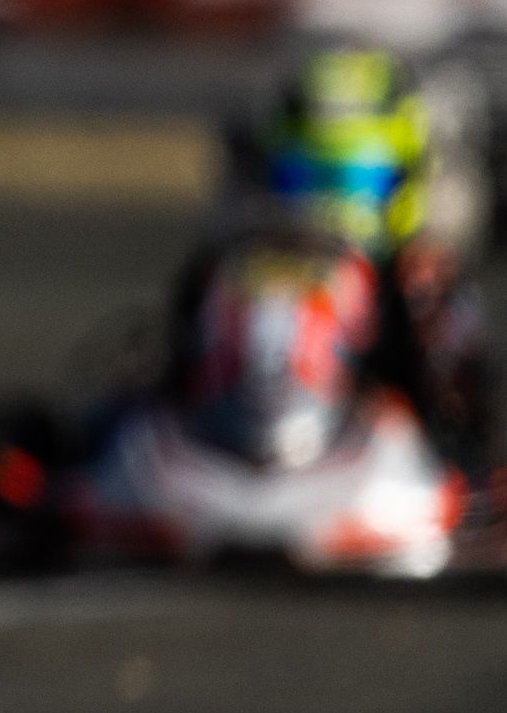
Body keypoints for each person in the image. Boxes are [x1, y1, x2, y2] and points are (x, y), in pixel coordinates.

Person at [198, 47, 490, 460]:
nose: (332, 210)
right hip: (243, 427)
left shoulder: (419, 286)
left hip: (388, 442)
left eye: (356, 181)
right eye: (306, 179)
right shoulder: (240, 271)